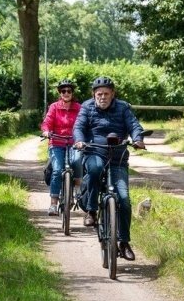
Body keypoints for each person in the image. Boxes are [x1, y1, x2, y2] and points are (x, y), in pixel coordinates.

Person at [73, 76, 145, 261]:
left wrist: (138, 139)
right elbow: (78, 127)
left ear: (113, 94)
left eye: (106, 93)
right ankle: (91, 211)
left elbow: (134, 125)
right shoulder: (87, 107)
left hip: (117, 157)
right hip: (94, 152)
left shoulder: (123, 108)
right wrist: (79, 140)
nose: (102, 97)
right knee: (95, 169)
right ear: (94, 95)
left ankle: (124, 242)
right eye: (99, 94)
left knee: (124, 199)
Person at [41, 79, 83, 216]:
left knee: (77, 160)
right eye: (63, 91)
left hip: (74, 142)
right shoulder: (54, 107)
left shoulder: (78, 107)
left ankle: (77, 186)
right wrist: (46, 131)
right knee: (57, 170)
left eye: (69, 91)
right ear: (60, 93)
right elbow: (47, 122)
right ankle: (53, 204)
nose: (66, 93)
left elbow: (84, 123)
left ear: (72, 93)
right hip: (56, 142)